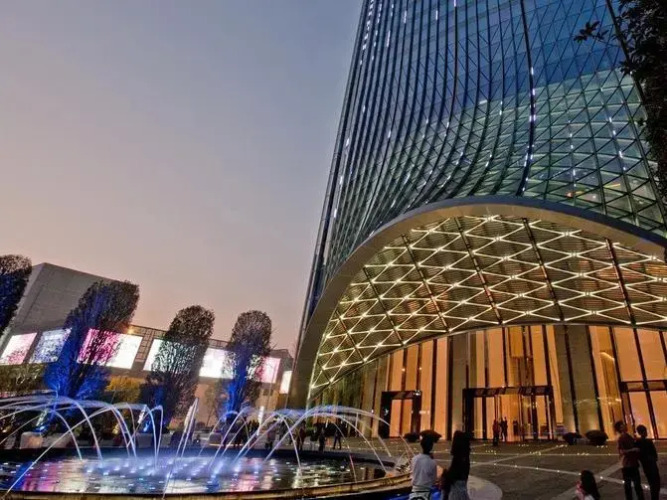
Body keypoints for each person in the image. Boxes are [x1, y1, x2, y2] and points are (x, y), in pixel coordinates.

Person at [615, 421, 644, 499]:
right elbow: (621, 451)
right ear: (620, 428)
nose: (625, 426)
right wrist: (633, 449)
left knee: (636, 484)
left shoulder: (628, 436)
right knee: (630, 485)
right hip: (627, 465)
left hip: (633, 463)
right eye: (623, 425)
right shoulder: (621, 438)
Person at [636, 425, 660, 500]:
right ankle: (655, 497)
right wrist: (654, 458)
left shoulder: (637, 442)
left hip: (645, 465)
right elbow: (654, 453)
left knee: (651, 482)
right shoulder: (648, 441)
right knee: (656, 482)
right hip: (651, 464)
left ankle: (654, 497)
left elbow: (638, 455)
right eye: (645, 431)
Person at [445, 431, 471, 500]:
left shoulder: (458, 457)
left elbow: (454, 473)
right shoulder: (465, 456)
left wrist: (446, 474)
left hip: (457, 489)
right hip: (462, 487)